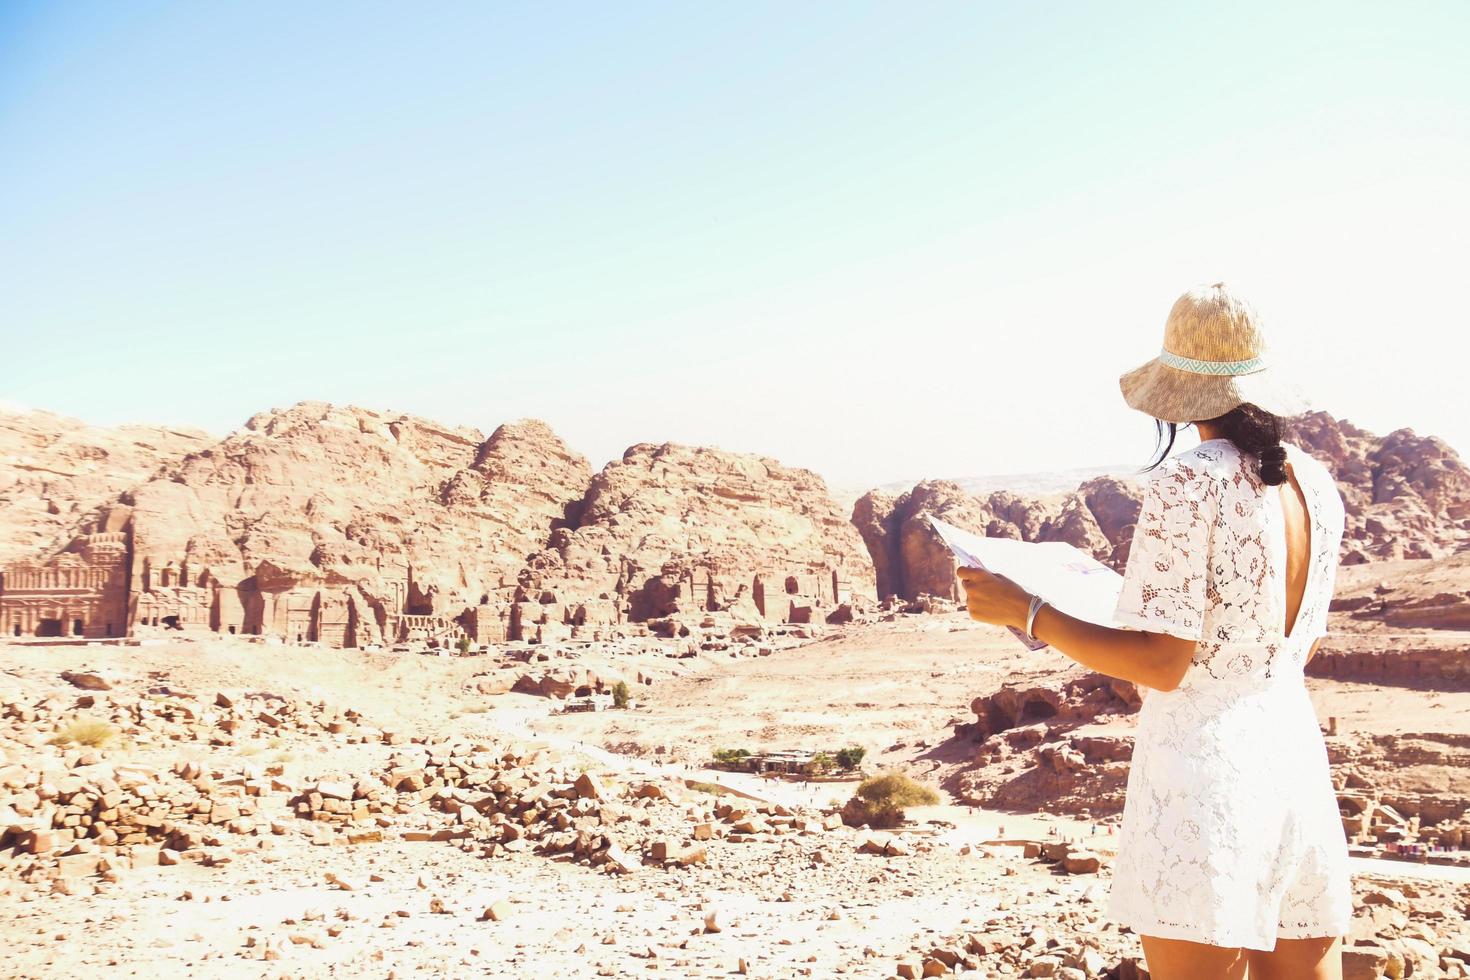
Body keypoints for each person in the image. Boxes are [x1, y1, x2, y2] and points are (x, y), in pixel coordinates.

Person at [958, 283, 1350, 980]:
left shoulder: (1192, 480)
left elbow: (1164, 664)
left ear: (1178, 390)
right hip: (1292, 755)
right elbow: (1298, 644)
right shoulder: (1315, 483)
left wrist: (1027, 612)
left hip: (1205, 775)